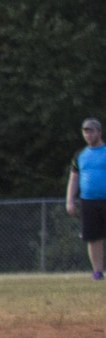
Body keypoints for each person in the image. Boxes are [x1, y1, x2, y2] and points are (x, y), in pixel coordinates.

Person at [67, 117, 106, 280]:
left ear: (99, 132)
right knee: (93, 237)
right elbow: (74, 178)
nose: (88, 135)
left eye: (91, 131)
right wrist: (70, 200)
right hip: (88, 201)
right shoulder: (80, 155)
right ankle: (97, 272)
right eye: (85, 132)